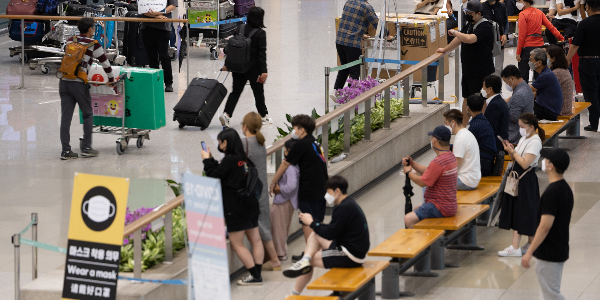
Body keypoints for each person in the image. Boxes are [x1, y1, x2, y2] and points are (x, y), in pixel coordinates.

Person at [282, 176, 369, 296]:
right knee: (314, 235)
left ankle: (294, 295)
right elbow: (333, 230)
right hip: (351, 248)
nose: (326, 196)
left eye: (328, 192)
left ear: (337, 191)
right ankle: (304, 260)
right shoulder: (349, 203)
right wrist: (315, 224)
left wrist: (312, 222)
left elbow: (330, 234)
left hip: (350, 255)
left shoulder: (343, 208)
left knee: (311, 260)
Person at [201, 128, 264, 285]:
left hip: (235, 209)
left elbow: (214, 176)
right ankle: (257, 272)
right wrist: (212, 160)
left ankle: (255, 276)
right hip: (251, 206)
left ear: (225, 142)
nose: (218, 144)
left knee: (237, 244)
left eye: (219, 141)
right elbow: (223, 172)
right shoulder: (244, 159)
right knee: (256, 240)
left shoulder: (229, 160)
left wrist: (206, 161)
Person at [269, 115, 328, 262]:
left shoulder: (301, 144)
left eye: (295, 128)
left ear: (301, 130)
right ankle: (317, 250)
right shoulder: (315, 142)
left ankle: (310, 254)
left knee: (307, 220)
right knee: (316, 220)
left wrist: (273, 182)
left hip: (309, 189)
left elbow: (285, 164)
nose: (293, 131)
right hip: (322, 186)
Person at [521, 149, 573, 300]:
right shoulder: (565, 189)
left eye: (546, 160)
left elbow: (545, 226)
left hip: (550, 251)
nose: (543, 162)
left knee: (551, 294)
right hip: (558, 247)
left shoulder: (552, 193)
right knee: (549, 293)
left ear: (551, 166)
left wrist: (530, 251)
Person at [60, 17, 113, 160]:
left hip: (64, 82)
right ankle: (86, 148)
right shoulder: (93, 44)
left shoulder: (70, 40)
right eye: (94, 28)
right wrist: (112, 79)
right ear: (90, 29)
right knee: (88, 114)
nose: (94, 30)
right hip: (78, 84)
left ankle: (65, 151)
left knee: (66, 117)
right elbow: (105, 63)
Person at [436, 0, 495, 127]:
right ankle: (462, 126)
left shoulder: (485, 26)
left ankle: (481, 126)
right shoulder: (469, 23)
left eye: (470, 13)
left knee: (480, 100)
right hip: (468, 70)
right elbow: (459, 39)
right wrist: (445, 49)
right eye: (466, 12)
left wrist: (455, 31)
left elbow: (469, 39)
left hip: (481, 71)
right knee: (467, 98)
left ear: (479, 13)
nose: (468, 15)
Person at [498, 113, 545, 257]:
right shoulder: (525, 138)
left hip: (526, 180)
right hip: (517, 179)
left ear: (531, 127)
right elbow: (517, 157)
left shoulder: (535, 141)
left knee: (522, 211)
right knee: (522, 210)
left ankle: (515, 246)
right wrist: (511, 151)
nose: (520, 129)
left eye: (522, 127)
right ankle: (531, 244)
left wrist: (513, 152)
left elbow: (525, 163)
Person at [240, 112, 280, 271]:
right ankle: (270, 259)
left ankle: (274, 260)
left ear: (244, 126)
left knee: (260, 225)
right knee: (263, 222)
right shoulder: (260, 142)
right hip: (261, 187)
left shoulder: (245, 143)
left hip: (251, 190)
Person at [220, 7, 271, 127]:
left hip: (238, 67)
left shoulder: (240, 29)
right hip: (254, 69)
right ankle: (263, 116)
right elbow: (261, 54)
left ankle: (226, 114)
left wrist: (227, 64)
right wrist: (264, 71)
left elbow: (232, 49)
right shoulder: (261, 33)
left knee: (235, 92)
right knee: (258, 92)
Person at [402, 126, 458, 228]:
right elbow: (429, 172)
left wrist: (408, 173)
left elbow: (422, 182)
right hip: (450, 205)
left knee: (408, 218)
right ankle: (425, 240)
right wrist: (413, 164)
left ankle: (415, 243)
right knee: (417, 209)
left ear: (434, 140)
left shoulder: (438, 162)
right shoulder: (450, 156)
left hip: (440, 207)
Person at [567, 0, 600, 131]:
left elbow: (575, 45)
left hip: (588, 62)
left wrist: (567, 59)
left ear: (588, 7)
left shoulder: (584, 23)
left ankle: (594, 123)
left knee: (591, 93)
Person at [333, 0, 380, 91]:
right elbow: (377, 24)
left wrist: (360, 34)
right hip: (352, 43)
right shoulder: (366, 7)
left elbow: (350, 23)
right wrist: (388, 35)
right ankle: (351, 95)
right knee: (355, 70)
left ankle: (337, 90)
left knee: (344, 66)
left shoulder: (348, 2)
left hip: (340, 40)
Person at [515, 0, 564, 83]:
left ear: (525, 2)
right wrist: (562, 38)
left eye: (519, 0)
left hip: (527, 47)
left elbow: (522, 35)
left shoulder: (523, 14)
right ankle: (539, 95)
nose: (517, 2)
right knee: (540, 77)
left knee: (523, 77)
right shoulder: (539, 12)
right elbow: (551, 27)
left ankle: (525, 95)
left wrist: (518, 52)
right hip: (540, 47)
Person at [270, 139, 300, 261]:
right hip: (288, 200)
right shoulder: (296, 164)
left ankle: (280, 253)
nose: (285, 152)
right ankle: (281, 251)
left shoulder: (290, 167)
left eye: (286, 150)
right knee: (282, 227)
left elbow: (291, 185)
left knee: (279, 227)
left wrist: (279, 189)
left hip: (283, 200)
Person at [142, 0, 177, 92]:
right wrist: (157, 16)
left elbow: (173, 6)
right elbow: (142, 8)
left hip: (163, 27)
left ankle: (168, 82)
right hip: (147, 26)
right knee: (151, 56)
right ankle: (155, 81)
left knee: (164, 55)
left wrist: (160, 12)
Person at [444, 109, 481, 190]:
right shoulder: (466, 133)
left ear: (453, 123)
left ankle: (429, 203)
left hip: (465, 181)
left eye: (446, 123)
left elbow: (454, 166)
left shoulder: (460, 138)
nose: (445, 126)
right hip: (472, 178)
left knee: (429, 181)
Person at [501, 65, 535, 143]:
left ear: (512, 78)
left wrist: (501, 109)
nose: (507, 84)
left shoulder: (519, 94)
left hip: (515, 134)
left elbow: (513, 117)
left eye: (506, 81)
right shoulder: (527, 88)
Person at [466, 95, 498, 177]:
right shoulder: (483, 121)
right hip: (487, 162)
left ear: (468, 108)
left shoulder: (475, 125)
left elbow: (465, 145)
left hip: (483, 165)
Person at [529, 48, 564, 121]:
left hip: (549, 112)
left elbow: (527, 89)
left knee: (521, 107)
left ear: (539, 63)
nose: (529, 62)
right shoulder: (546, 72)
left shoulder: (545, 75)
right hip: (551, 110)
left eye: (531, 60)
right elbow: (535, 93)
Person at [482, 74, 510, 152]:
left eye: (484, 86)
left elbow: (491, 129)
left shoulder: (495, 105)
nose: (482, 89)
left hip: (495, 147)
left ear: (490, 89)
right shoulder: (498, 101)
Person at [481, 0, 509, 75]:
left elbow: (506, 22)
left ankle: (497, 84)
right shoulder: (482, 6)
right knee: (486, 66)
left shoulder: (502, 6)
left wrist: (505, 34)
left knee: (498, 67)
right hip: (486, 39)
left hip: (499, 38)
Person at [545, 45, 574, 116]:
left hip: (559, 110)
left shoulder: (557, 73)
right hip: (565, 108)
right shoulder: (564, 70)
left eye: (547, 56)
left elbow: (542, 91)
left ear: (553, 58)